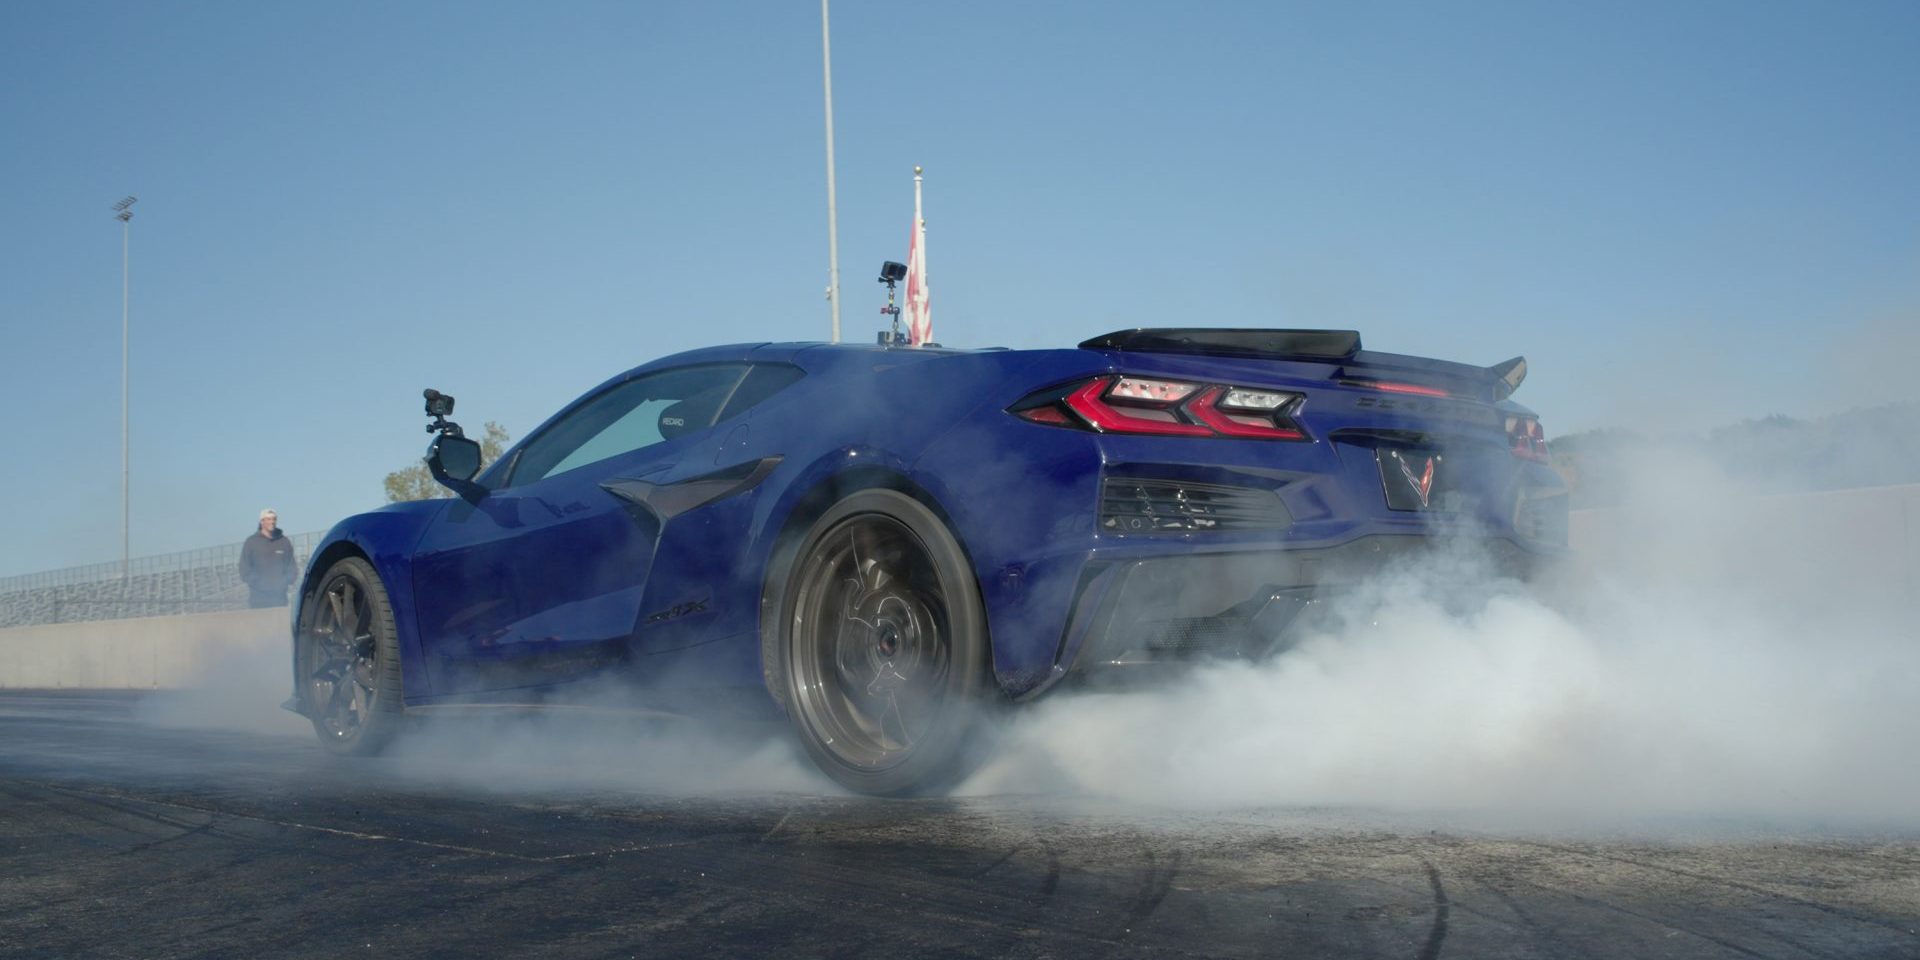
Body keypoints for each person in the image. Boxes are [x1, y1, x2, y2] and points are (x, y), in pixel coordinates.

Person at [239, 509, 297, 608]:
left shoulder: (284, 542)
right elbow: (244, 569)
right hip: (258, 599)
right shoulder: (251, 542)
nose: (272, 522)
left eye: (274, 519)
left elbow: (291, 567)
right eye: (269, 519)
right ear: (262, 522)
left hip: (280, 598)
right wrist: (259, 583)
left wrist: (284, 582)